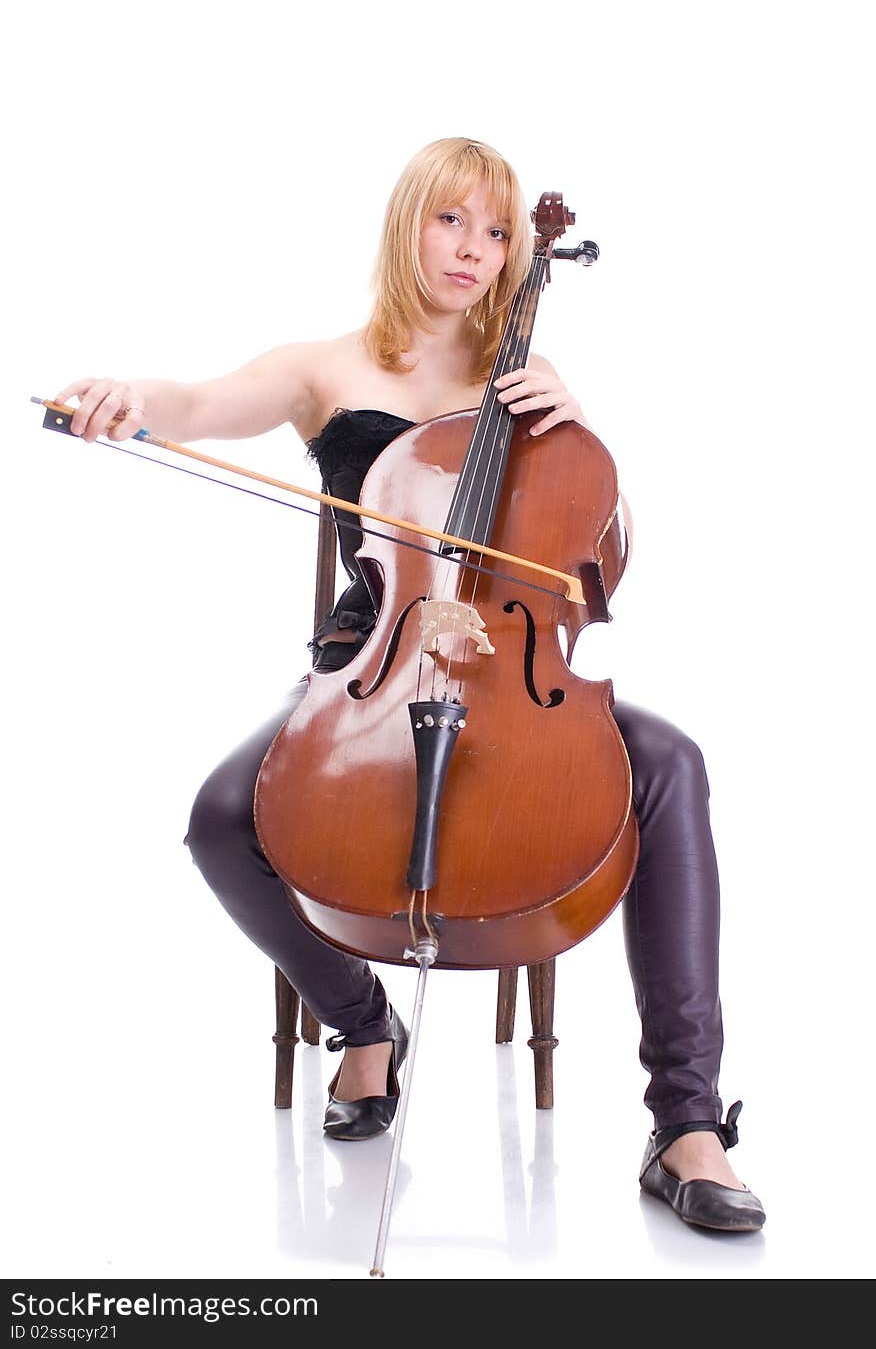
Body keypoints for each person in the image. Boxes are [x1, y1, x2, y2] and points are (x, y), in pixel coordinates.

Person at [52, 136, 764, 1234]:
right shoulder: (324, 369)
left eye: (494, 230)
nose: (475, 249)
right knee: (216, 818)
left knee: (670, 764)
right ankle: (364, 1023)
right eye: (452, 220)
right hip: (369, 669)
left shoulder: (520, 388)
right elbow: (192, 402)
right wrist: (124, 395)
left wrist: (573, 428)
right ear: (407, 224)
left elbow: (594, 554)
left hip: (511, 672)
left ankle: (685, 1121)